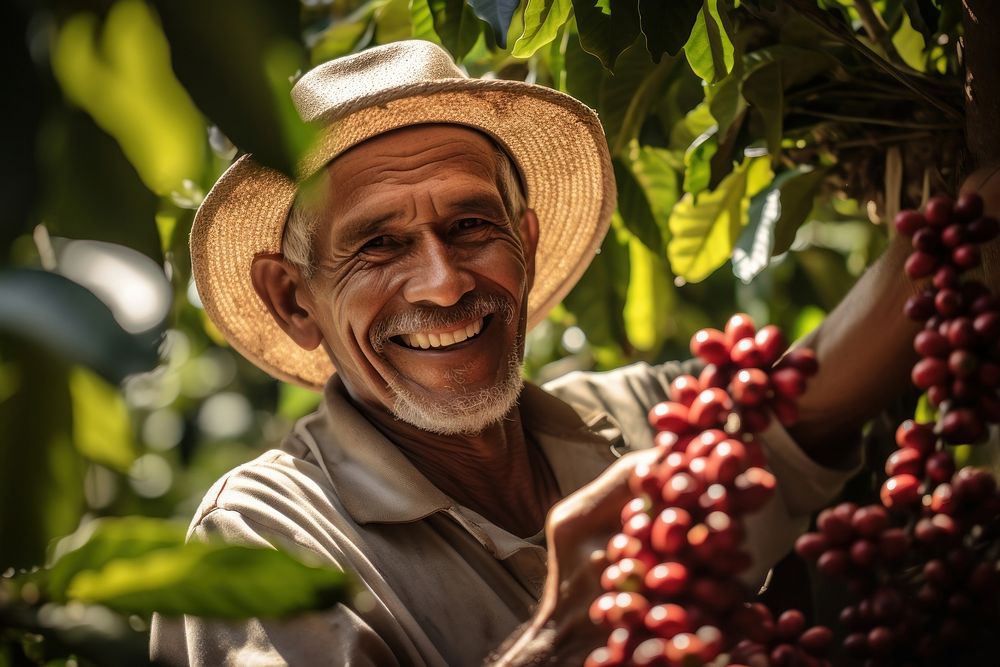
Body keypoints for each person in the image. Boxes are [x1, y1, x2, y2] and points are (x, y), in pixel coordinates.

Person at [150, 40, 928, 665]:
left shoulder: (643, 418)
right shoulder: (265, 542)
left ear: (524, 243)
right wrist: (560, 639)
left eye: (471, 226)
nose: (446, 284)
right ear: (294, 299)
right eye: (378, 244)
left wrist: (962, 223)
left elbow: (814, 394)